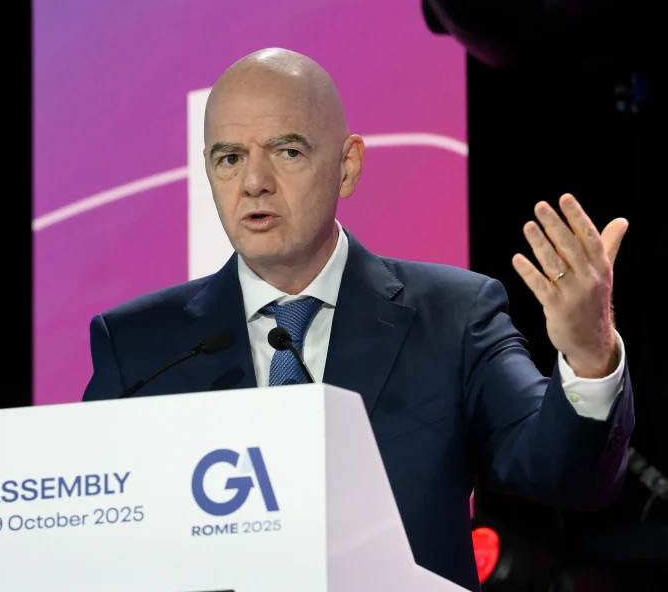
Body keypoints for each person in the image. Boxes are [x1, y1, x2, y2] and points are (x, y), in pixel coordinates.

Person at [82, 48, 633, 591]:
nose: (254, 182)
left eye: (287, 151)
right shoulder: (138, 347)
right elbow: (90, 538)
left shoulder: (454, 316)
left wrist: (590, 355)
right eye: (229, 158)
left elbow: (565, 474)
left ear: (347, 167)